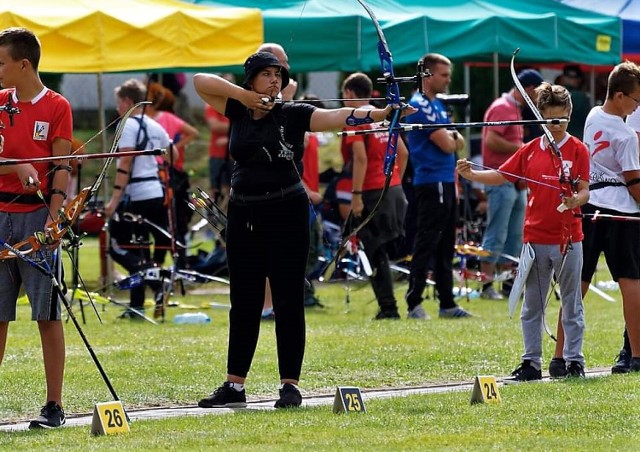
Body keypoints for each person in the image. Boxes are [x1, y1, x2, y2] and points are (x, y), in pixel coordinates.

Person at [193, 51, 414, 408]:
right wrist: (243, 96)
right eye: (266, 75)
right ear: (250, 79)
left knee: (287, 297)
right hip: (244, 213)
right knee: (244, 300)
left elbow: (337, 116)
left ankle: (290, 386)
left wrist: (380, 114)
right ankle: (234, 386)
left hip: (287, 211)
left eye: (279, 75)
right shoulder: (236, 109)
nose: (275, 81)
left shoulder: (291, 113)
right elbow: (200, 81)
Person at [458, 82, 590, 381]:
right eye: (550, 119)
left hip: (568, 239)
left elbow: (584, 191)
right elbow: (501, 175)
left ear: (569, 115)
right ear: (540, 116)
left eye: (562, 119)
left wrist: (575, 200)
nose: (556, 126)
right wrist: (472, 174)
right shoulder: (529, 151)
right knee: (532, 306)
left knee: (571, 304)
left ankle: (574, 362)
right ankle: (531, 362)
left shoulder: (578, 149)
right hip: (535, 239)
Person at [0, 27, 72, 428]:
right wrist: (15, 165)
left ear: (23, 64)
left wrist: (54, 217)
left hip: (37, 217)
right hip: (0, 216)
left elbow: (61, 167)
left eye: (1, 62)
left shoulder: (57, 105)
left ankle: (54, 405)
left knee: (47, 315)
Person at [551, 61, 640, 375]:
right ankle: (636, 357)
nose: (636, 106)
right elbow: (633, 182)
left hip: (588, 208)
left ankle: (560, 357)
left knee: (578, 283)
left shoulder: (592, 116)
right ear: (619, 96)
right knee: (631, 282)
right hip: (622, 213)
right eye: (635, 100)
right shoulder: (627, 135)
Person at [404, 53, 472, 320]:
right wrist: (453, 137)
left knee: (446, 245)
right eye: (444, 75)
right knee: (427, 243)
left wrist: (453, 137)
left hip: (446, 181)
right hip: (432, 183)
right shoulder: (420, 104)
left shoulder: (438, 105)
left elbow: (457, 140)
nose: (448, 80)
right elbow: (448, 143)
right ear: (428, 75)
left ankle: (447, 303)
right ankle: (414, 302)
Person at [104, 79, 175, 320]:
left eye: (118, 103)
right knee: (141, 248)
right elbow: (171, 152)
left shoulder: (129, 125)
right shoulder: (154, 125)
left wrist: (114, 200)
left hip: (136, 196)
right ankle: (137, 306)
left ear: (127, 101)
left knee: (117, 246)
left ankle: (155, 285)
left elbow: (125, 162)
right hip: (156, 193)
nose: (117, 109)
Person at [342, 72, 409, 319]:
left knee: (374, 251)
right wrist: (392, 181)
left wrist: (357, 195)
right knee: (381, 249)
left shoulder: (355, 118)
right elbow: (403, 153)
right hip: (393, 190)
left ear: (349, 93)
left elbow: (360, 158)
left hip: (370, 192)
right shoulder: (382, 117)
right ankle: (390, 305)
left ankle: (388, 307)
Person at [479, 68, 544, 300]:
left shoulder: (515, 108)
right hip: (499, 179)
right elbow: (492, 140)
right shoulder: (502, 107)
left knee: (515, 234)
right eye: (537, 92)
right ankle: (486, 285)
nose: (538, 98)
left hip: (514, 182)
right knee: (496, 231)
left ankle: (507, 285)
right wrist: (523, 150)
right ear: (528, 89)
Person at [146, 82, 199, 267]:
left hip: (167, 175)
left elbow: (193, 133)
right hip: (163, 174)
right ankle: (170, 262)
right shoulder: (158, 118)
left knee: (172, 220)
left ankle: (173, 262)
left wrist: (174, 148)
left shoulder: (158, 119)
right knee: (171, 221)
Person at [205, 74, 233, 209]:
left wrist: (228, 136)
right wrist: (234, 127)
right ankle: (213, 213)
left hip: (233, 154)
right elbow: (214, 125)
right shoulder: (212, 105)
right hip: (217, 154)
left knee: (231, 187)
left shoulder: (236, 104)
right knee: (215, 187)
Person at [559, 64, 591, 141]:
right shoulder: (582, 97)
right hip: (578, 138)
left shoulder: (556, 95)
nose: (573, 80)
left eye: (574, 78)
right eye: (570, 77)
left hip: (561, 138)